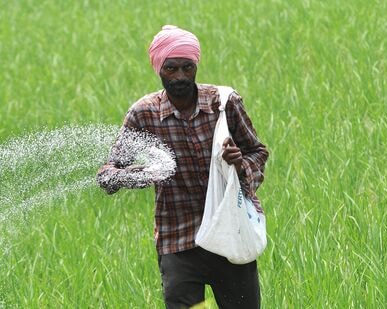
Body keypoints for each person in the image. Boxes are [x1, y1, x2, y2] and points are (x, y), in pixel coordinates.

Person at [97, 25, 269, 308]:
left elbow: (257, 152)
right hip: (178, 243)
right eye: (171, 68)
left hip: (229, 234)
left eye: (187, 68)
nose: (180, 76)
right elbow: (107, 175)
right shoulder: (143, 114)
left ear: (196, 66)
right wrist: (144, 174)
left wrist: (240, 165)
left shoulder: (223, 104)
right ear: (158, 68)